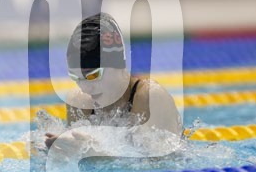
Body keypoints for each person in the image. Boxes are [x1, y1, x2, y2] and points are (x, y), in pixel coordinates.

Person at [44, 13, 182, 153]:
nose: (85, 88)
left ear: (118, 65)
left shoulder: (150, 97)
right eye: (76, 78)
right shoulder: (79, 102)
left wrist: (93, 152)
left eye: (93, 76)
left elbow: (160, 160)